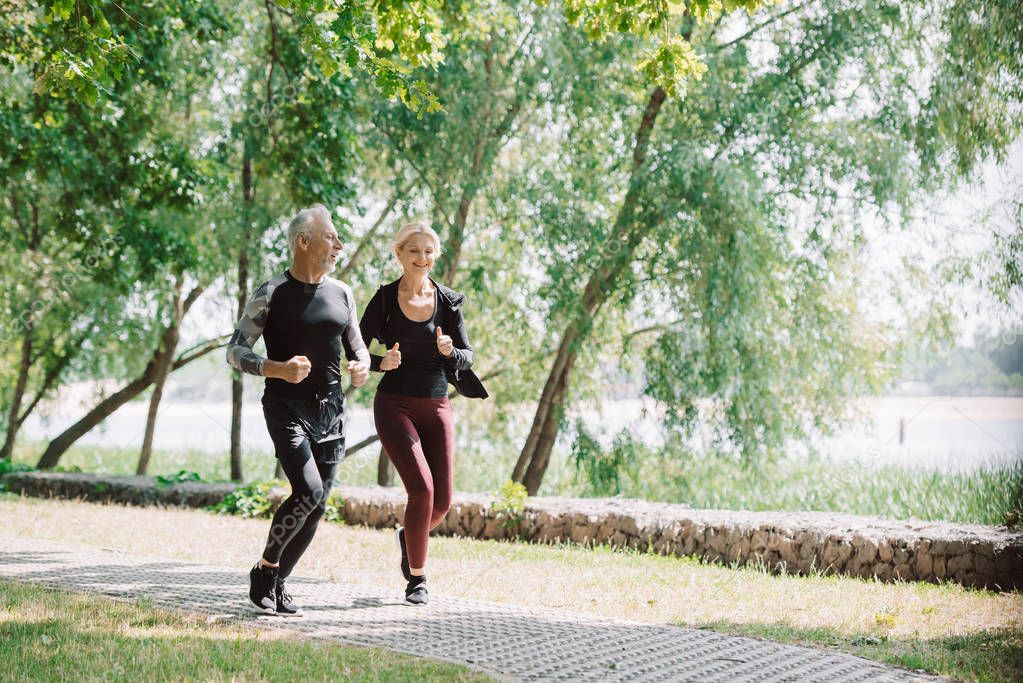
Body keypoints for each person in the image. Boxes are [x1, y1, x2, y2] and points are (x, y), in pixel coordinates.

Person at [226, 204, 369, 616]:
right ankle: (265, 570)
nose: (339, 245)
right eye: (331, 237)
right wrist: (275, 369)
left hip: (332, 412)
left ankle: (278, 580)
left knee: (319, 505)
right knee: (308, 491)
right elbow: (235, 351)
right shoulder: (271, 293)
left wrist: (361, 365)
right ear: (303, 242)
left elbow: (355, 344)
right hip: (286, 408)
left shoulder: (342, 292)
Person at [359, 220, 488, 606]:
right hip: (394, 404)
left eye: (429, 251)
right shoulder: (383, 299)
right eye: (414, 250)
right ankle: (417, 579)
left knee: (443, 502)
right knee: (422, 490)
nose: (422, 258)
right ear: (399, 253)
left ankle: (408, 535)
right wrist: (384, 362)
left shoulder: (447, 302)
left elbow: (468, 356)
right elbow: (356, 350)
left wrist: (451, 351)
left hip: (437, 404)